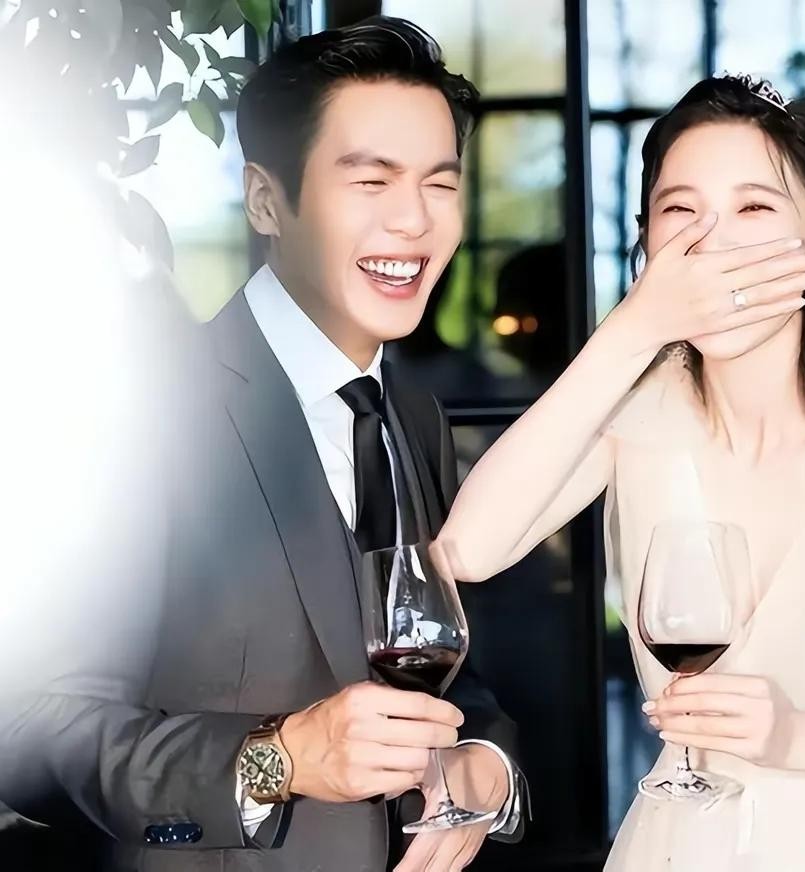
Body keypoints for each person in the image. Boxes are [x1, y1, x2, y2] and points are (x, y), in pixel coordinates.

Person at [434, 75, 805, 870]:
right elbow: (468, 551)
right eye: (680, 211)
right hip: (675, 844)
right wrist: (633, 328)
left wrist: (803, 738)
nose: (710, 243)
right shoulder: (638, 415)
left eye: (753, 209)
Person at [1, 17, 525, 872]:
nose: (413, 219)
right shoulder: (140, 411)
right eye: (371, 181)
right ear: (266, 201)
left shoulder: (414, 416)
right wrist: (279, 759)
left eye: (440, 183)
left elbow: (451, 673)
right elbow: (30, 733)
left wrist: (483, 765)